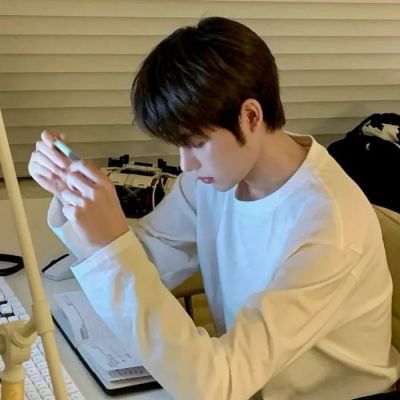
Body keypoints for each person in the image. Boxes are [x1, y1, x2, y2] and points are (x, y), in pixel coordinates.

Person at [28, 17, 399, 400]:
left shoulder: (327, 231)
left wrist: (109, 247)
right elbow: (151, 259)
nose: (186, 164)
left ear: (250, 116)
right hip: (249, 381)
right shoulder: (217, 180)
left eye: (196, 143)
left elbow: (217, 385)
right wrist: (74, 197)